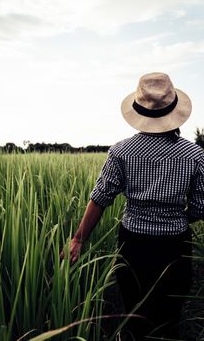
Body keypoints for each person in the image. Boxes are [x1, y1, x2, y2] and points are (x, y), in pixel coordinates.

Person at [60, 72, 204, 340]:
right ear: (174, 109)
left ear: (139, 110)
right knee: (170, 317)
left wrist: (78, 239)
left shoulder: (121, 151)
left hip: (133, 244)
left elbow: (101, 197)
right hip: (176, 246)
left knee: (136, 314)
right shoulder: (194, 154)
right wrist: (177, 218)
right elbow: (199, 208)